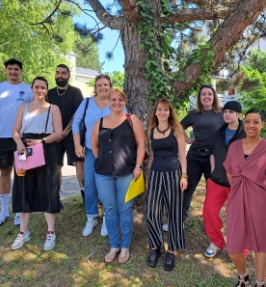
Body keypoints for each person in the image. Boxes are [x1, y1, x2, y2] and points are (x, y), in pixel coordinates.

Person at [223, 109, 266, 287]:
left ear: (262, 125)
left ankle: (259, 286)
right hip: (236, 200)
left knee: (261, 245)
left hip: (261, 203)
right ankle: (244, 278)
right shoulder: (233, 147)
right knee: (233, 247)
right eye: (248, 121)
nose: (251, 125)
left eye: (256, 122)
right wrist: (238, 190)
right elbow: (229, 173)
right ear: (243, 124)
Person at [91, 89, 146, 264]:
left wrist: (138, 165)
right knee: (110, 209)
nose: (116, 102)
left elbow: (141, 144)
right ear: (108, 102)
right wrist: (102, 160)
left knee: (125, 209)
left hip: (127, 172)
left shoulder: (132, 120)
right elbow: (94, 145)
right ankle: (114, 245)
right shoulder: (100, 122)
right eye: (113, 99)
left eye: (120, 99)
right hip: (103, 174)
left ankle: (125, 246)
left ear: (125, 101)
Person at [10, 77, 63, 250]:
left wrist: (42, 141)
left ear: (47, 90)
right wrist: (19, 143)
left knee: (48, 189)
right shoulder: (23, 107)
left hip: (45, 150)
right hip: (24, 152)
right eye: (37, 87)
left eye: (43, 87)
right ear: (32, 89)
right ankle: (23, 231)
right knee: (24, 189)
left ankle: (50, 232)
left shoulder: (53, 109)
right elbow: (15, 131)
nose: (40, 90)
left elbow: (59, 133)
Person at [0, 58, 32, 227]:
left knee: (21, 173)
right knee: (4, 173)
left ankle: (20, 211)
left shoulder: (28, 90)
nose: (13, 71)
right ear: (6, 70)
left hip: (21, 139)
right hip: (0, 138)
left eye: (16, 69)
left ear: (21, 71)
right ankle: (4, 210)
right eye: (10, 69)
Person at [72, 74, 118, 237]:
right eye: (99, 85)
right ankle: (92, 217)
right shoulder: (86, 103)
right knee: (89, 183)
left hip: (111, 153)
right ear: (95, 87)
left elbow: (126, 122)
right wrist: (77, 144)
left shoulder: (116, 102)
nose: (103, 88)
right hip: (91, 151)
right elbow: (76, 123)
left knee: (108, 185)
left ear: (110, 86)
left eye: (105, 85)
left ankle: (107, 218)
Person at [145, 99, 188, 271]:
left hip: (173, 174)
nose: (162, 112)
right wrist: (149, 176)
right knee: (151, 213)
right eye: (159, 109)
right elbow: (152, 156)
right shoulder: (151, 131)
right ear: (155, 112)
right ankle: (155, 247)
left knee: (174, 213)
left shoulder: (177, 130)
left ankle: (172, 250)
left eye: (166, 110)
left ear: (170, 113)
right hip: (155, 174)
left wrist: (184, 175)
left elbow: (182, 155)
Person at [173, 84, 223, 229]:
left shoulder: (221, 114)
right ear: (199, 98)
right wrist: (187, 140)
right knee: (187, 189)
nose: (206, 97)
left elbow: (232, 129)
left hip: (213, 158)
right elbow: (178, 126)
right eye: (203, 94)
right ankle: (179, 221)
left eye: (209, 94)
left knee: (212, 191)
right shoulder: (194, 114)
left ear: (214, 97)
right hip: (194, 156)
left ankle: (210, 222)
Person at [202, 101, 245, 258]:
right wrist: (213, 170)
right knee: (209, 211)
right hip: (217, 180)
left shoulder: (247, 133)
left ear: (238, 115)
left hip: (238, 183)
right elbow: (213, 153)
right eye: (225, 111)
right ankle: (216, 242)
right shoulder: (218, 132)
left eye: (231, 112)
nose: (227, 114)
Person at [47, 64, 85, 204]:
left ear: (68, 75)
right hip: (54, 135)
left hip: (72, 135)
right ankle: (55, 197)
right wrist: (55, 133)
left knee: (79, 163)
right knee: (55, 166)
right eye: (57, 73)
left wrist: (65, 132)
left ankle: (85, 195)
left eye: (63, 73)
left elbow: (78, 114)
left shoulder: (75, 92)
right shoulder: (49, 93)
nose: (60, 75)